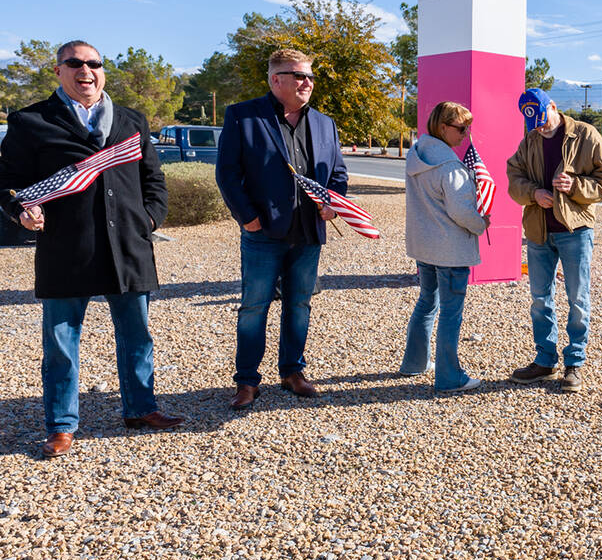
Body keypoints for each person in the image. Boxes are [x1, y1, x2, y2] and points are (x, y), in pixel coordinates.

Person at [0, 40, 184, 458]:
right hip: (67, 247)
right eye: (76, 64)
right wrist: (20, 211)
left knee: (137, 336)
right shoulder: (31, 122)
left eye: (94, 63)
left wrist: (150, 220)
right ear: (58, 71)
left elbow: (153, 180)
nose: (87, 71)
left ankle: (141, 409)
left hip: (128, 247)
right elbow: (8, 182)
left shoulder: (131, 119)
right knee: (62, 342)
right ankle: (61, 425)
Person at [216, 48, 348, 410]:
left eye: (310, 76)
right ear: (276, 80)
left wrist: (332, 203)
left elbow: (337, 174)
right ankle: (246, 381)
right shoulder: (244, 116)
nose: (307, 82)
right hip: (263, 232)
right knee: (254, 307)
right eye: (299, 76)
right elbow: (227, 173)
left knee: (300, 304)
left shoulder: (324, 123)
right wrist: (248, 218)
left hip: (308, 233)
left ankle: (292, 372)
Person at [505, 88, 602, 393]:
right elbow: (513, 178)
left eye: (543, 119)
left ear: (553, 106)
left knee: (578, 299)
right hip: (539, 232)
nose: (540, 127)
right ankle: (545, 360)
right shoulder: (529, 140)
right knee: (541, 300)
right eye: (534, 124)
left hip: (576, 231)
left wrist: (575, 185)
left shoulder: (586, 134)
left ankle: (574, 363)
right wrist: (533, 193)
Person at [398, 101, 490, 392]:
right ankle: (450, 377)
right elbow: (461, 212)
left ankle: (414, 362)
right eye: (462, 129)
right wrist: (482, 223)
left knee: (427, 302)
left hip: (424, 245)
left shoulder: (416, 156)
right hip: (449, 250)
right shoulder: (449, 165)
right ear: (443, 127)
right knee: (451, 312)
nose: (466, 135)